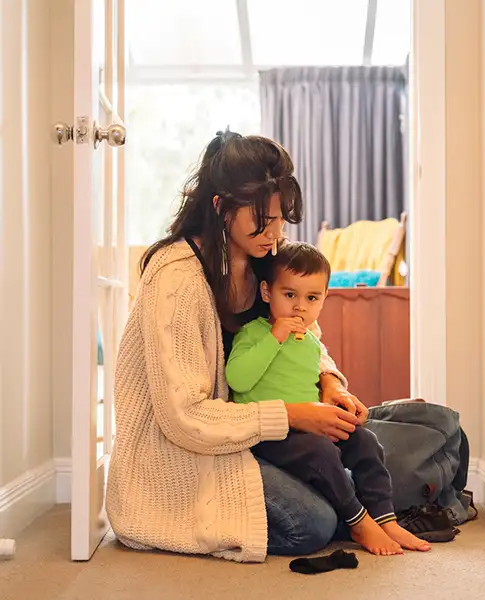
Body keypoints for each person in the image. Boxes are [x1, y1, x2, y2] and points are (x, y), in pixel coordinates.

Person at [107, 130, 371, 563]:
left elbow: (307, 334)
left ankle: (355, 491)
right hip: (187, 453)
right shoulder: (176, 278)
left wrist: (329, 384)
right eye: (262, 221)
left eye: (280, 218)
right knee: (313, 524)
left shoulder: (268, 257)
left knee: (402, 428)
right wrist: (292, 415)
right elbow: (184, 419)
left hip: (259, 434)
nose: (274, 232)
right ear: (220, 207)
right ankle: (360, 501)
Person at [226, 242, 431, 556]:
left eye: (311, 298)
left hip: (311, 427)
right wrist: (274, 337)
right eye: (289, 295)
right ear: (267, 293)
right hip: (270, 434)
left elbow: (315, 381)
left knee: (366, 442)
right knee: (321, 452)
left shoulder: (309, 340)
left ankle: (384, 517)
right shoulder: (253, 333)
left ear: (323, 299)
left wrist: (337, 400)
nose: (299, 307)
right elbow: (237, 379)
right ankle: (357, 519)